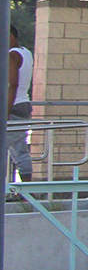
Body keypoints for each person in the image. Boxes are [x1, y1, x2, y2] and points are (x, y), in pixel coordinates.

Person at [8, 25, 32, 187]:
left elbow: (12, 84)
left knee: (12, 148)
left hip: (13, 106)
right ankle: (27, 191)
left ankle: (25, 191)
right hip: (23, 103)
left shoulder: (12, 55)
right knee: (19, 150)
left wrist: (5, 110)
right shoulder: (26, 52)